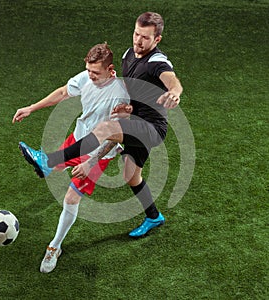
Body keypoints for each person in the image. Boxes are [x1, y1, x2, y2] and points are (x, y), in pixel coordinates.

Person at [19, 12, 183, 240]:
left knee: (106, 128)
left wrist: (175, 92)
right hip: (136, 120)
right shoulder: (129, 55)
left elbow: (171, 80)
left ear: (157, 40)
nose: (138, 40)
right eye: (136, 33)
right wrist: (131, 109)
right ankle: (154, 216)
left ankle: (49, 161)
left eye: (145, 37)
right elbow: (138, 92)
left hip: (152, 128)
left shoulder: (158, 62)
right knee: (130, 175)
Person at [13, 43, 130, 273]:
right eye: (88, 71)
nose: (90, 76)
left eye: (96, 73)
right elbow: (63, 92)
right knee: (55, 168)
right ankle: (46, 163)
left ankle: (54, 247)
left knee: (71, 197)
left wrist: (92, 161)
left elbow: (116, 136)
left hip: (98, 153)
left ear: (110, 69)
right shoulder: (87, 77)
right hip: (76, 139)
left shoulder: (121, 94)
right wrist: (31, 108)